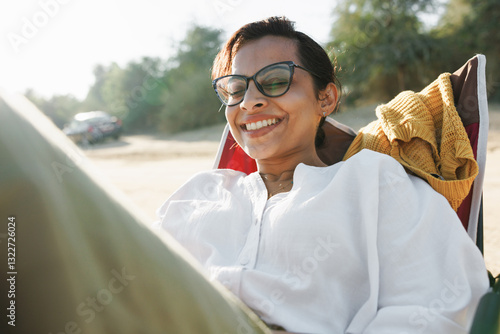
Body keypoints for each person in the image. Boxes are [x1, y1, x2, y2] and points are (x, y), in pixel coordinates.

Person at [154, 16, 489, 333]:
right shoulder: (200, 194)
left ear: (325, 98)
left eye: (275, 81)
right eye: (235, 90)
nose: (249, 102)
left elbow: (441, 305)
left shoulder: (372, 181)